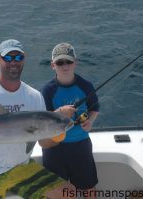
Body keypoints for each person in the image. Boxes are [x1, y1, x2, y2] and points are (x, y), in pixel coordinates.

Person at [0, 39, 75, 199]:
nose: (13, 62)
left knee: (68, 194)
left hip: (21, 168)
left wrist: (59, 133)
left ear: (24, 59)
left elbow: (43, 142)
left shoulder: (34, 97)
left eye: (18, 58)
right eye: (8, 58)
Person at [41, 42, 99, 199]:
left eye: (68, 62)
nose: (65, 66)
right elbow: (43, 121)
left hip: (81, 146)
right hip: (54, 149)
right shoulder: (47, 90)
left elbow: (95, 108)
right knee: (56, 192)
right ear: (53, 65)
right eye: (60, 62)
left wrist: (90, 121)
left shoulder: (85, 86)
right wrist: (59, 113)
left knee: (89, 189)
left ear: (75, 63)